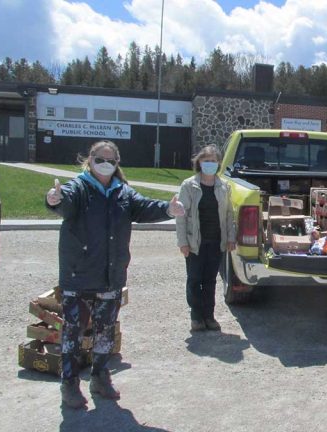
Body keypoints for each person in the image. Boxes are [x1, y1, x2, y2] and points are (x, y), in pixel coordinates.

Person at [46, 140, 185, 409]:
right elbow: (64, 203)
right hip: (78, 277)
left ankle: (100, 377)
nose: (105, 164)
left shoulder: (123, 192)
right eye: (100, 159)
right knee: (73, 334)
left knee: (105, 332)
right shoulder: (79, 187)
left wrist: (168, 209)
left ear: (117, 163)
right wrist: (54, 199)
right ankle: (69, 384)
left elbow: (143, 207)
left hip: (110, 277)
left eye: (111, 160)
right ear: (91, 159)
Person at [176, 145, 236, 332]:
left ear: (218, 164)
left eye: (213, 161)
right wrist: (183, 243)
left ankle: (209, 316)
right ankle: (196, 317)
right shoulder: (188, 185)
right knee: (194, 279)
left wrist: (230, 238)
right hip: (195, 243)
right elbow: (181, 216)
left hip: (216, 242)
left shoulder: (224, 186)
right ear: (199, 162)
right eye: (206, 160)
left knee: (210, 280)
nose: (209, 164)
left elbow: (228, 214)